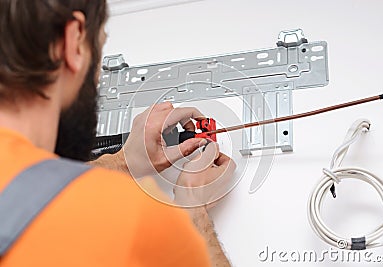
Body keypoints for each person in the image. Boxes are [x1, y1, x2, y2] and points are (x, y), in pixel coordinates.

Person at [0, 1, 236, 266]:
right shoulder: (138, 217)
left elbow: (29, 188)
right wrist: (193, 209)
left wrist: (124, 161)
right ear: (74, 41)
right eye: (99, 49)